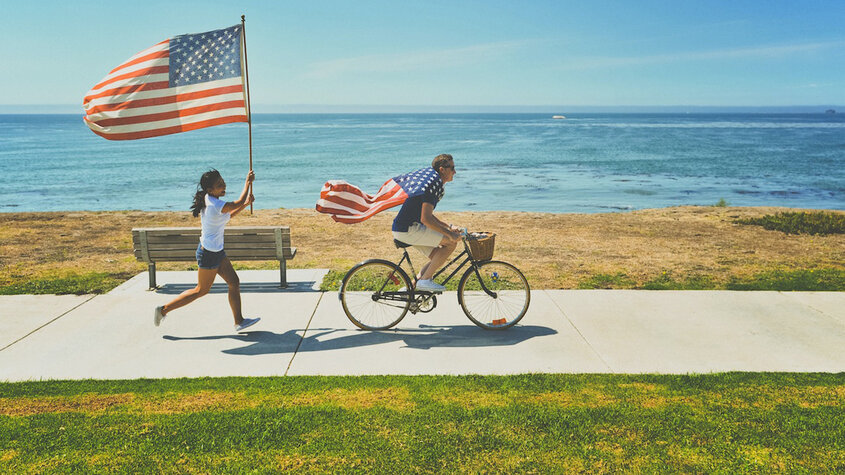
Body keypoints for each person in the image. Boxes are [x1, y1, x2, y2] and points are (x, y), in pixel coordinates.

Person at [154, 169, 260, 332]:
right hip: (208, 254)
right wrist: (247, 182)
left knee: (234, 282)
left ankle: (239, 321)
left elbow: (229, 215)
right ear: (210, 190)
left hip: (217, 251)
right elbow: (236, 203)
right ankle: (163, 310)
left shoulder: (211, 200)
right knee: (201, 290)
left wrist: (245, 204)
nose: (223, 186)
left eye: (223, 182)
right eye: (219, 185)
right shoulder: (214, 204)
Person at [391, 154, 461, 292]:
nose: (455, 171)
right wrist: (449, 235)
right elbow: (426, 220)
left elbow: (429, 217)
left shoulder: (432, 183)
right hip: (408, 229)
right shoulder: (432, 186)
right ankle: (424, 281)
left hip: (405, 228)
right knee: (451, 243)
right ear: (442, 169)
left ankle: (411, 289)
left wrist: (448, 227)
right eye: (452, 168)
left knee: (437, 257)